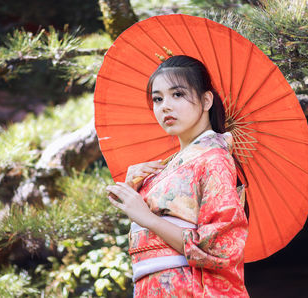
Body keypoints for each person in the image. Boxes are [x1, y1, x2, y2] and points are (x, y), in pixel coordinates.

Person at [106, 55, 249, 297]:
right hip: (153, 286)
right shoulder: (166, 166)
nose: (165, 106)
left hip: (187, 286)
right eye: (158, 99)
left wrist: (147, 218)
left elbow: (220, 247)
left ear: (206, 100)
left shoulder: (214, 159)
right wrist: (133, 188)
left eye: (178, 94)